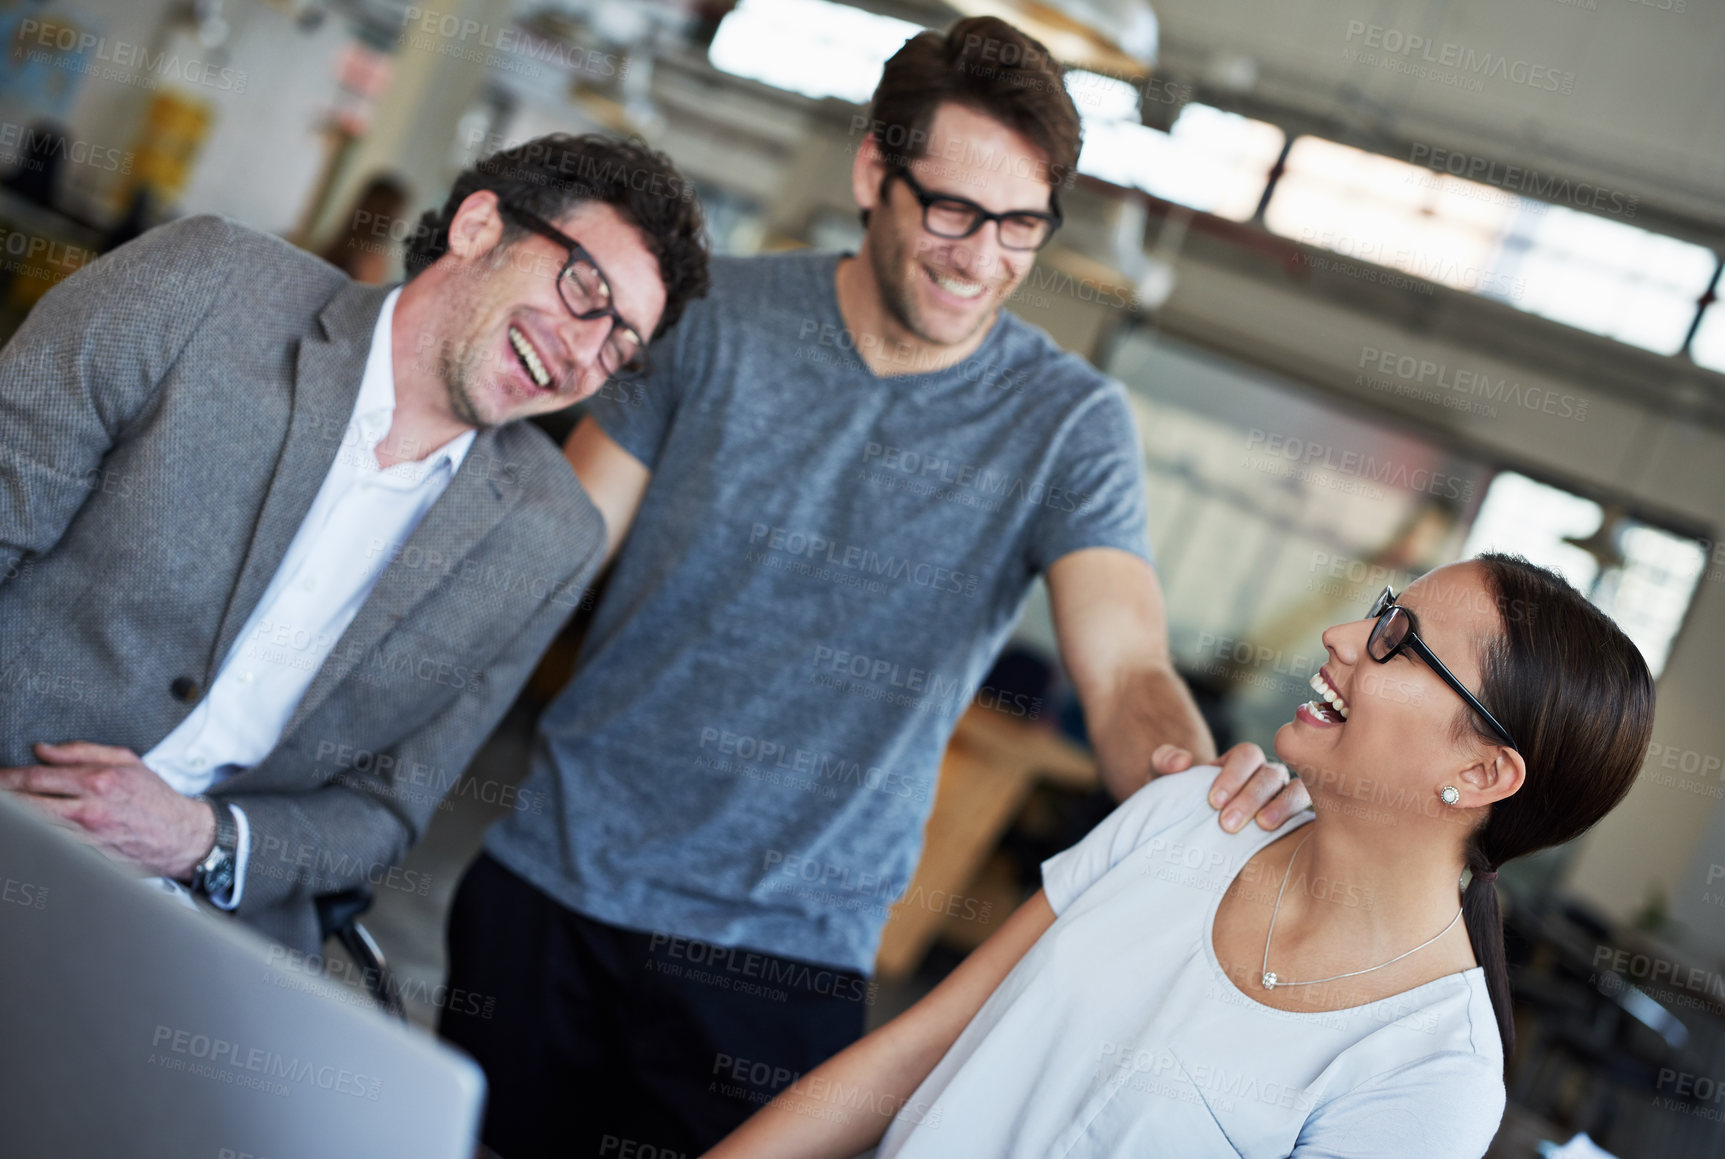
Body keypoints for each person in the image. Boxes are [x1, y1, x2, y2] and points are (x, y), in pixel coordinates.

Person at [440, 16, 1306, 1157]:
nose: (979, 257)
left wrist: (1194, 799)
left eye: (1021, 226)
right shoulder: (709, 320)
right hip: (552, 884)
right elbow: (549, 557)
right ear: (872, 172)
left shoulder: (1068, 428)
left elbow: (1128, 666)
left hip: (784, 957)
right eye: (951, 209)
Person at [0, 133, 708, 954]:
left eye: (621, 345)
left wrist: (200, 838)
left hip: (197, 929)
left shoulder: (550, 537)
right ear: (479, 227)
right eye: (586, 289)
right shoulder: (204, 286)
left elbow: (388, 807)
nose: (584, 353)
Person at [705, 555, 1655, 1158]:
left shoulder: (1426, 1075)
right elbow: (912, 1048)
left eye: (1396, 641)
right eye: (1376, 609)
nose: (1339, 639)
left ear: (1480, 770)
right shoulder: (1187, 818)